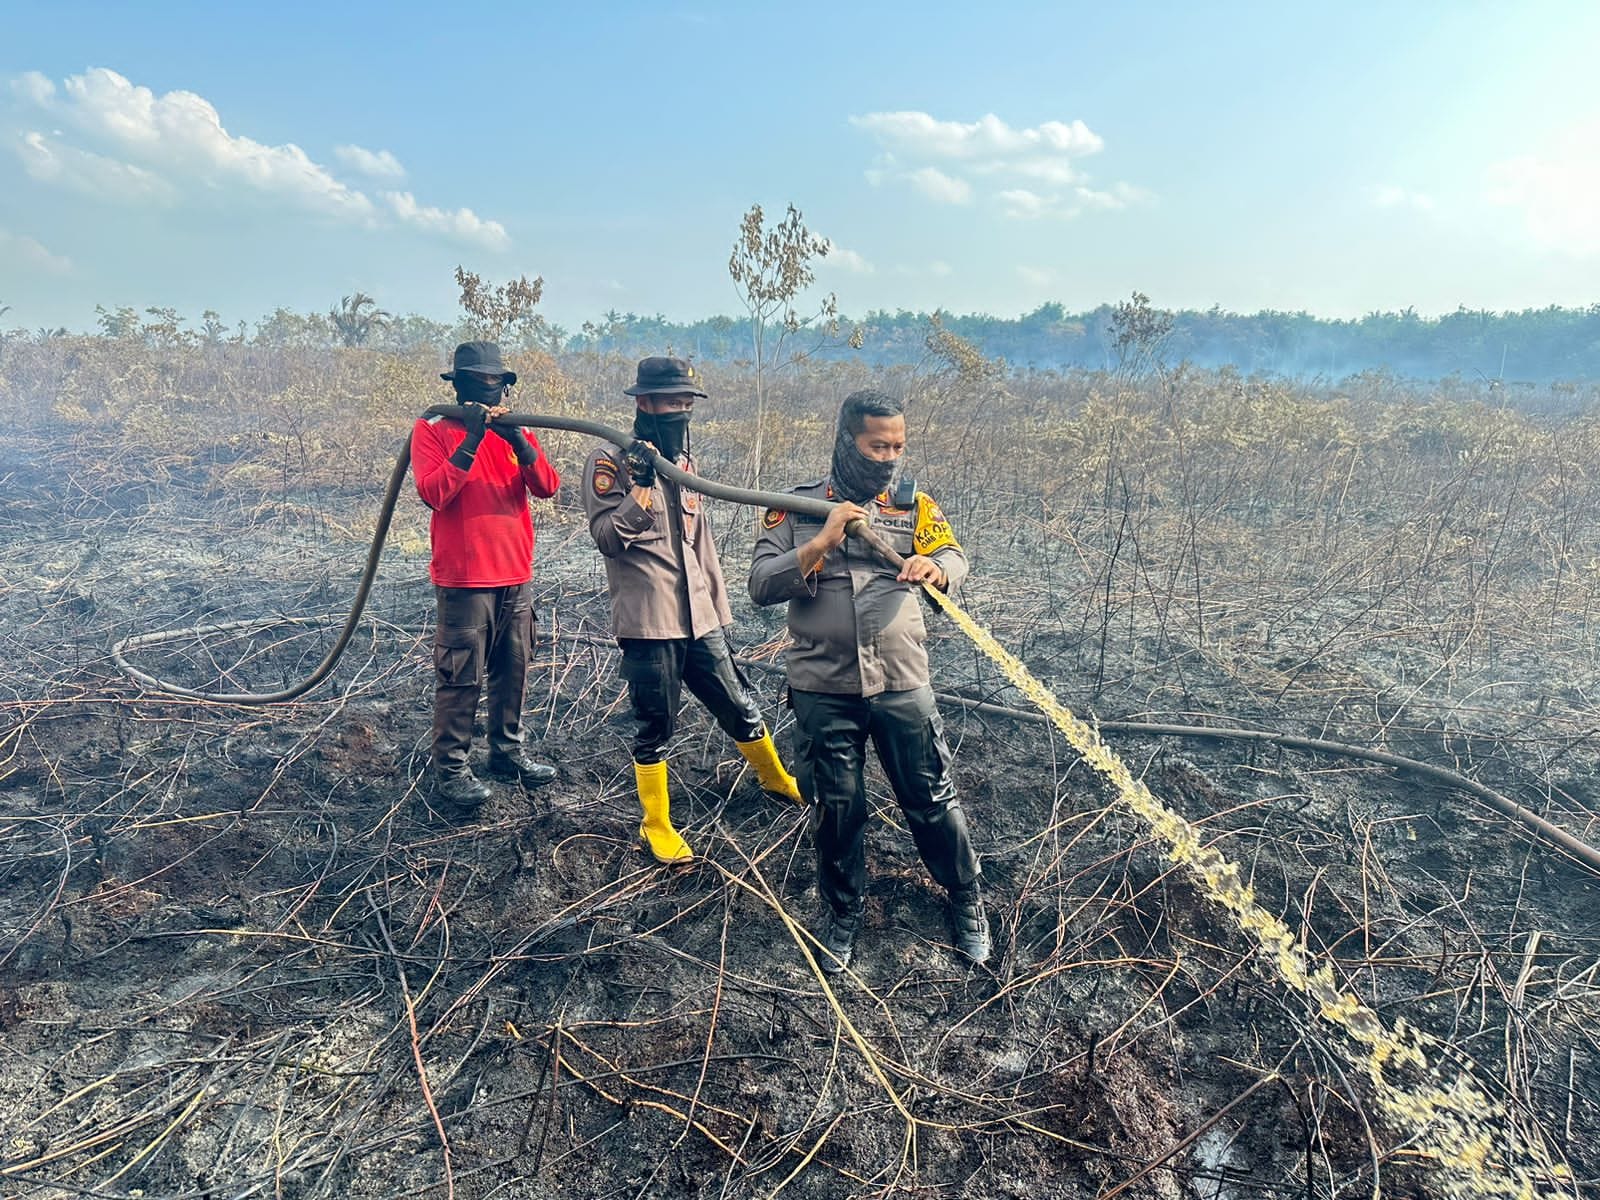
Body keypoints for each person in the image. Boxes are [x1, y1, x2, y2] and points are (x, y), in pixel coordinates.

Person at [749, 389, 989, 971]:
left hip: (902, 679)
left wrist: (937, 567)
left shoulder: (913, 506)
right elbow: (760, 584)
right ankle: (842, 913)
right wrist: (820, 542)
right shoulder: (794, 506)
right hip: (822, 686)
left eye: (898, 446)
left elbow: (954, 555)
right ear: (846, 440)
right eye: (876, 445)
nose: (888, 457)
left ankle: (966, 901)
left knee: (930, 798)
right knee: (838, 806)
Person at [583, 356, 802, 864]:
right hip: (649, 620)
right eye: (671, 403)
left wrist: (718, 610)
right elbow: (607, 539)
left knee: (740, 703)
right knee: (655, 724)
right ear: (644, 403)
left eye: (687, 403)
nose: (681, 411)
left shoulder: (685, 464)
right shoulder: (609, 461)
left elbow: (699, 546)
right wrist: (639, 486)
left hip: (699, 618)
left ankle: (775, 778)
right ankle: (656, 824)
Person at [411, 341, 561, 811]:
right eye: (478, 384)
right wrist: (473, 439)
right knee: (460, 676)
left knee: (512, 668)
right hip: (464, 579)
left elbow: (548, 487)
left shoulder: (519, 431)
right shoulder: (432, 428)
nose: (488, 393)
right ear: (457, 387)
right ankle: (452, 769)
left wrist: (517, 440)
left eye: (495, 384)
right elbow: (434, 493)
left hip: (516, 574)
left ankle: (507, 752)